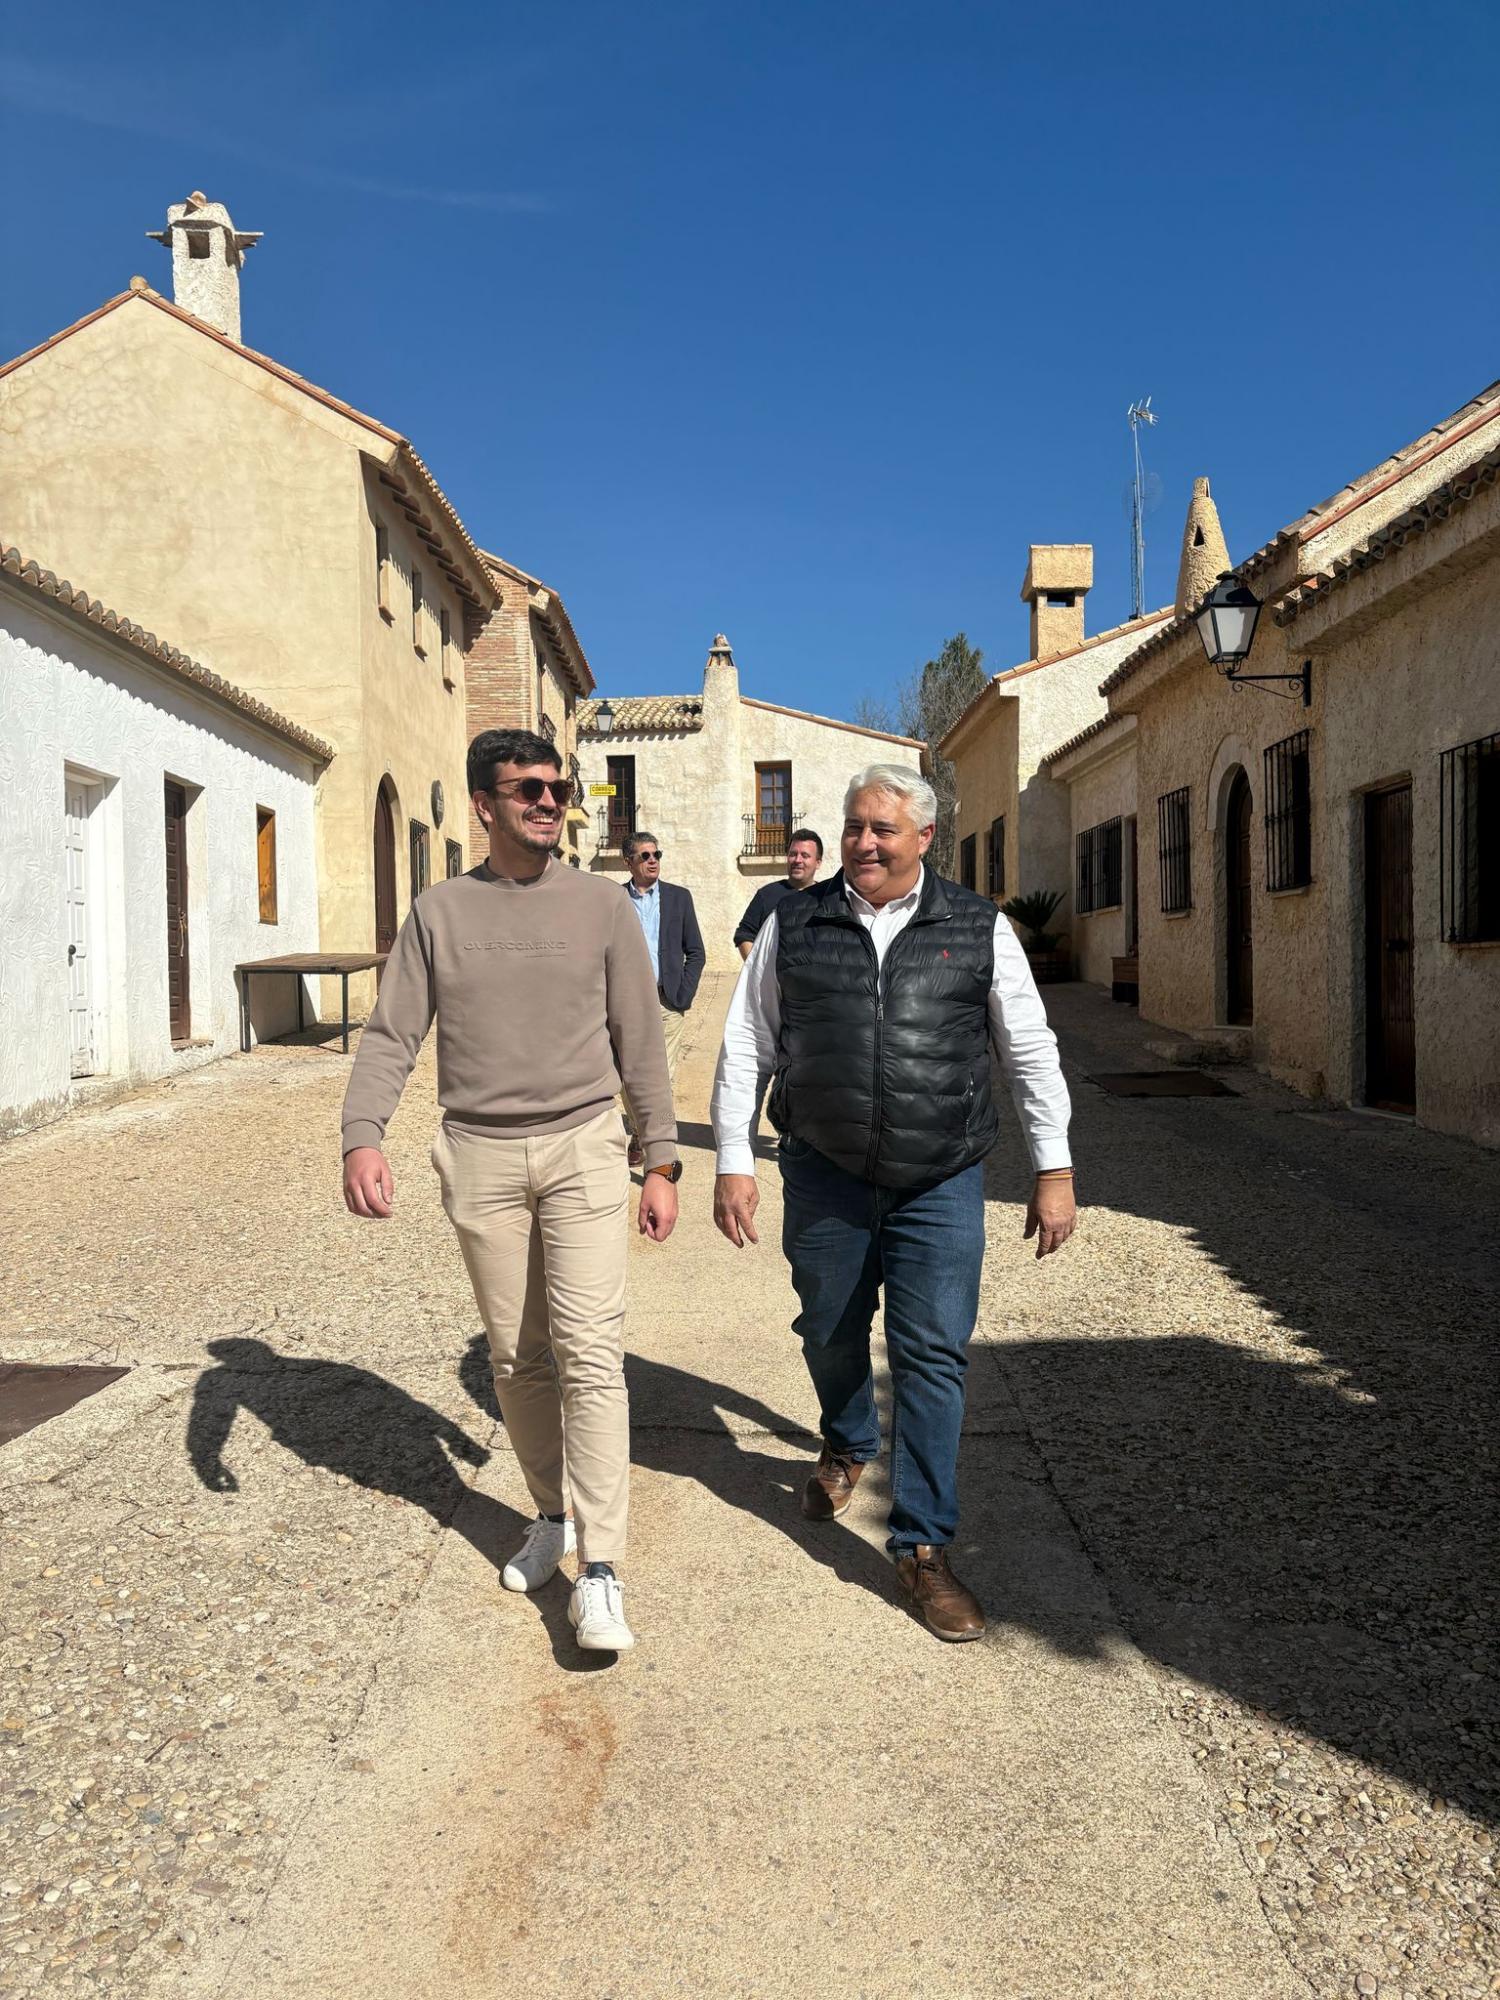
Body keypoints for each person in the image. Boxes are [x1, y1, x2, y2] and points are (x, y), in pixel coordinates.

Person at [710, 763, 1075, 1642]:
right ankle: (847, 1440)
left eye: (883, 828)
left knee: (933, 1356)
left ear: (925, 838)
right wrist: (733, 1157)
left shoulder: (977, 926)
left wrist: (1054, 1166)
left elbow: (1028, 1047)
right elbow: (747, 1041)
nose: (864, 843)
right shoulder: (796, 922)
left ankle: (922, 1546)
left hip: (940, 1179)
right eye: (854, 826)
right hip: (825, 1170)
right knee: (827, 1329)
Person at [341, 728, 682, 1655]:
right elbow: (392, 1033)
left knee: (591, 1353)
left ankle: (601, 1570)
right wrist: (362, 1135)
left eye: (556, 787)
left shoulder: (603, 906)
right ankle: (551, 1517)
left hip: (583, 1147)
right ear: (483, 804)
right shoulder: (439, 912)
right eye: (526, 787)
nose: (547, 801)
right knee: (518, 1359)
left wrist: (661, 1159)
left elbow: (640, 1038)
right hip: (479, 1155)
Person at [620, 829, 705, 1166]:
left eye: (657, 854)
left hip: (667, 1001)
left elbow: (695, 951)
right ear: (629, 862)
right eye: (645, 855)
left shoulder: (679, 898)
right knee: (627, 1077)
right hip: (626, 1003)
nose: (653, 860)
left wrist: (683, 994)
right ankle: (639, 1131)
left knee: (663, 1079)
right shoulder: (615, 900)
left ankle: (662, 1144)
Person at [733, 828, 823, 960]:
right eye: (793, 854)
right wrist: (757, 968)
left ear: (818, 863)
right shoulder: (767, 895)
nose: (797, 860)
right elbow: (745, 935)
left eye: (805, 855)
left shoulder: (827, 898)